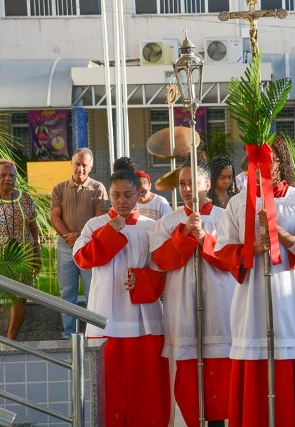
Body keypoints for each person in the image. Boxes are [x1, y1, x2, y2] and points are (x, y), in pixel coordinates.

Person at [214, 138, 295, 427]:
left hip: (291, 299)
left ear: (283, 163)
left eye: (270, 161)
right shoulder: (238, 203)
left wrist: (282, 234)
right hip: (251, 300)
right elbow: (223, 251)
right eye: (255, 162)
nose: (262, 168)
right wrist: (252, 248)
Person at [73, 167, 170, 426]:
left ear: (138, 194)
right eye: (116, 196)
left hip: (144, 321)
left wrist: (142, 279)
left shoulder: (152, 227)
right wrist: (109, 232)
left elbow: (163, 268)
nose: (121, 202)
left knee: (146, 390)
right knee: (108, 392)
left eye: (128, 195)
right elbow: (82, 259)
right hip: (107, 319)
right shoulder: (95, 225)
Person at [150, 160, 235, 427]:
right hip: (183, 304)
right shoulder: (168, 222)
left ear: (207, 185)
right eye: (182, 184)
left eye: (192, 183)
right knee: (188, 375)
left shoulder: (225, 218)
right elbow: (162, 262)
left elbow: (234, 260)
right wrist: (185, 234)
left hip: (220, 302)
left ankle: (219, 421)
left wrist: (204, 241)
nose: (186, 189)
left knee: (220, 373)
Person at [50, 148, 108, 339]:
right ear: (71, 164)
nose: (80, 169)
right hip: (66, 246)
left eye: (84, 165)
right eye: (77, 164)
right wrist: (70, 237)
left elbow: (100, 218)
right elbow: (55, 217)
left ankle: (93, 333)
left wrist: (80, 236)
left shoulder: (98, 188)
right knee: (67, 292)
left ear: (91, 166)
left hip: (89, 245)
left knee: (93, 290)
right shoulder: (59, 188)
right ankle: (69, 335)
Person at [0, 160, 41, 342]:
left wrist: (37, 253)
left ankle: (10, 340)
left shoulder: (25, 199)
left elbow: (34, 228)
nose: (7, 178)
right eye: (3, 175)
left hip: (21, 258)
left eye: (11, 175)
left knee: (20, 297)